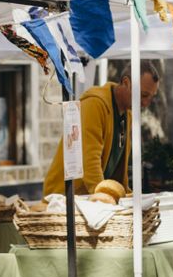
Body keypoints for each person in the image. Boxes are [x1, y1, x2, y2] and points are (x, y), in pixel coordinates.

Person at [44, 61, 160, 197]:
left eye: (151, 97)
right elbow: (90, 158)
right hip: (65, 198)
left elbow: (117, 170)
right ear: (126, 83)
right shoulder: (95, 104)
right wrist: (104, 198)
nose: (146, 103)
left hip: (89, 198)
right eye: (144, 95)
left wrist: (125, 196)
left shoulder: (127, 114)